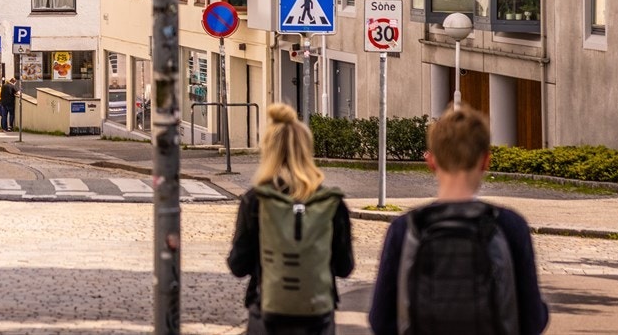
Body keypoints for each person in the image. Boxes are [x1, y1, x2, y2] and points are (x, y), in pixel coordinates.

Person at [367, 106, 549, 335]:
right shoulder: (510, 226)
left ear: (431, 162)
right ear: (485, 162)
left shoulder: (405, 229)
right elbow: (533, 320)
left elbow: (380, 320)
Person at [228, 104, 353, 335]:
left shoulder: (256, 201)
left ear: (268, 150)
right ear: (307, 150)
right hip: (318, 318)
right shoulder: (331, 203)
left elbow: (238, 265)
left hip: (267, 314)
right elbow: (345, 268)